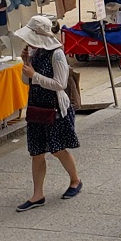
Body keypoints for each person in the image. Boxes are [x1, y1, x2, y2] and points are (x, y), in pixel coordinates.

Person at [14, 16, 82, 211]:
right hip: (36, 107)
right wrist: (26, 63)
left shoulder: (57, 54)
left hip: (55, 108)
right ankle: (38, 194)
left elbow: (60, 83)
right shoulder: (35, 52)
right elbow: (26, 81)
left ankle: (75, 180)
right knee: (36, 152)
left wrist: (35, 75)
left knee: (57, 149)